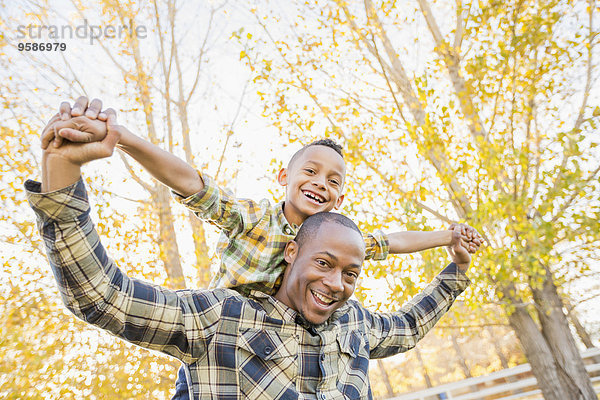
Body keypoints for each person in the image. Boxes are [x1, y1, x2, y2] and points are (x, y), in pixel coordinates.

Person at [30, 112, 479, 400]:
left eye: (334, 181)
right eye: (322, 264)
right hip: (226, 347)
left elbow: (406, 314)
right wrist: (118, 142)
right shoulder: (245, 240)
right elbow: (190, 185)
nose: (321, 184)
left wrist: (451, 247)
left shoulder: (349, 300)